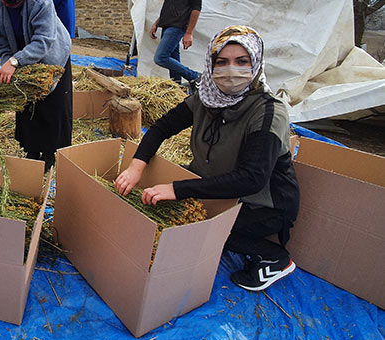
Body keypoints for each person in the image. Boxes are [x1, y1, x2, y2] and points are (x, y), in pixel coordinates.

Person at [114, 26, 300, 292]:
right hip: (214, 184)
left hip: (261, 203)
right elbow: (161, 127)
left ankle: (275, 258)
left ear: (256, 64)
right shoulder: (206, 97)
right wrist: (136, 166)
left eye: (242, 61)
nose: (231, 70)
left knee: (200, 228)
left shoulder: (268, 112)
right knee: (160, 205)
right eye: (222, 62)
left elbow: (252, 179)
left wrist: (178, 189)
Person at [0, 0, 72, 172]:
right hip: (22, 62)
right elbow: (3, 47)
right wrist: (9, 63)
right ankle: (32, 148)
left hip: (53, 56)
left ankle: (51, 152)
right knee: (27, 105)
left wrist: (14, 62)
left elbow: (43, 41)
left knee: (53, 105)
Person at [150, 0, 203, 86]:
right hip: (167, 25)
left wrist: (189, 32)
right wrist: (156, 23)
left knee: (161, 57)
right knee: (173, 60)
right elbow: (169, 6)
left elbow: (196, 7)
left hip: (178, 26)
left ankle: (195, 76)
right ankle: (177, 88)